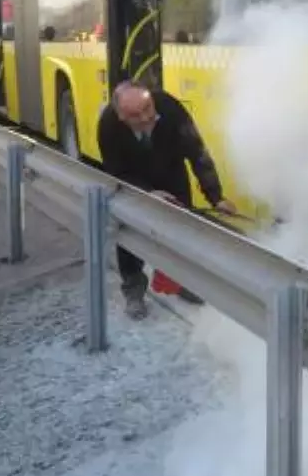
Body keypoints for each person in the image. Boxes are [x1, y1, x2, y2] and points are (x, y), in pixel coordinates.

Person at [97, 81, 235, 318]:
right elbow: (116, 171)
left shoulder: (170, 108)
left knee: (181, 230)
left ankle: (179, 282)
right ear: (121, 116)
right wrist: (147, 192)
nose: (145, 117)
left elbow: (197, 152)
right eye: (135, 115)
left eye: (148, 108)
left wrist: (216, 197)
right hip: (135, 180)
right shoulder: (108, 125)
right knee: (130, 233)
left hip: (172, 175)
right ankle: (133, 290)